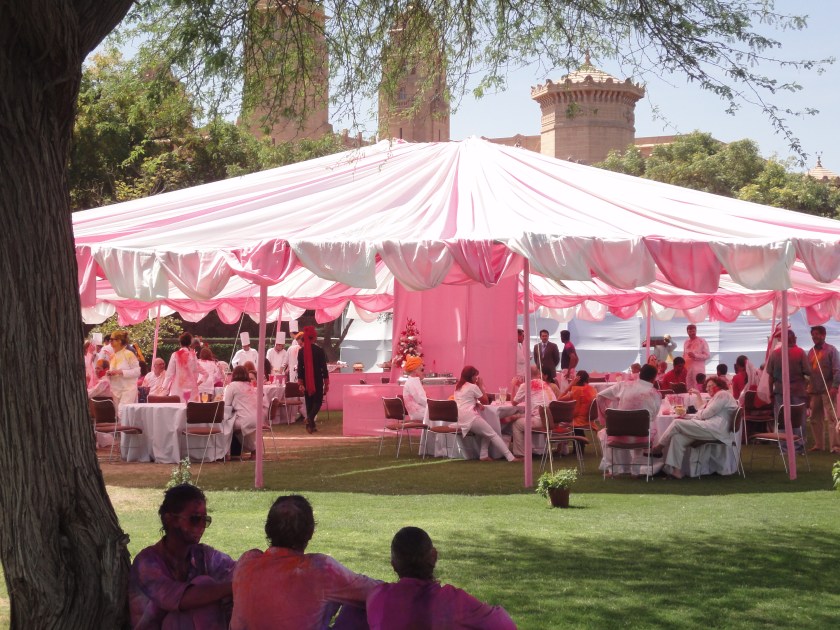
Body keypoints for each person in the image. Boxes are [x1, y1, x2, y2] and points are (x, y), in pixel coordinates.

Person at [231, 495, 379, 629]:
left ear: (267, 528)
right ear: (311, 531)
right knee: (362, 606)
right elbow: (378, 591)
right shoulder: (320, 570)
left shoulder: (246, 562)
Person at [366, 526, 516, 630]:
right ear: (434, 556)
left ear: (394, 566)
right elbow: (504, 625)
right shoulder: (452, 601)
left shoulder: (377, 598)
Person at [129, 484, 234, 629]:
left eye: (206, 520)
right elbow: (178, 599)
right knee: (204, 585)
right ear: (170, 519)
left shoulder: (203, 555)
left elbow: (237, 570)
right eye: (195, 519)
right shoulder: (146, 562)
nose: (202, 526)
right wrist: (234, 587)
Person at [650, 376, 738, 479]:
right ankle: (676, 471)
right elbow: (703, 411)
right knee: (677, 438)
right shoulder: (717, 396)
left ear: (719, 385)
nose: (708, 389)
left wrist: (698, 414)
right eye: (707, 387)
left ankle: (659, 447)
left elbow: (707, 413)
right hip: (712, 428)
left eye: (711, 386)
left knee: (677, 423)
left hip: (716, 429)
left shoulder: (722, 394)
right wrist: (696, 413)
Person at [596, 363, 661, 475]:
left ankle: (614, 469)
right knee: (647, 426)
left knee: (604, 434)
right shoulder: (655, 394)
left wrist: (606, 415)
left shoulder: (623, 385)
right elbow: (653, 416)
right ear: (654, 378)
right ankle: (635, 471)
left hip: (618, 434)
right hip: (642, 436)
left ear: (639, 374)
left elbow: (600, 396)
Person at [455, 366, 520, 462]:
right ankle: (511, 458)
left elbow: (464, 402)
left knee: (488, 429)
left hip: (461, 418)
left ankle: (483, 455)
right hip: (471, 418)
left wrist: (476, 403)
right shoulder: (472, 387)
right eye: (475, 376)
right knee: (493, 434)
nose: (476, 378)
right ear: (472, 377)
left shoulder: (458, 387)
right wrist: (480, 386)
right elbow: (485, 401)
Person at [765, 329, 811, 443]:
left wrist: (771, 392)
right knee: (798, 418)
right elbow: (808, 372)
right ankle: (799, 444)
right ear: (793, 339)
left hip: (780, 391)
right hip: (797, 391)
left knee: (781, 419)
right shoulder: (800, 352)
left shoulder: (775, 354)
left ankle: (784, 445)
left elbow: (770, 376)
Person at [510, 365, 556, 458]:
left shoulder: (526, 385)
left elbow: (513, 402)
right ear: (538, 373)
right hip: (550, 418)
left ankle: (520, 453)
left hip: (539, 419)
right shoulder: (545, 384)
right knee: (518, 417)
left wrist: (513, 386)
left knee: (516, 424)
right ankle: (531, 449)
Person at [807, 325, 840, 453]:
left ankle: (835, 446)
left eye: (817, 334)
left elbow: (837, 370)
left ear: (823, 335)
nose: (814, 336)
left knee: (832, 418)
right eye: (813, 334)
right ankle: (819, 445)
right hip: (815, 390)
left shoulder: (831, 350)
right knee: (815, 418)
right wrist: (808, 388)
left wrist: (835, 386)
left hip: (828, 389)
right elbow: (809, 372)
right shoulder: (811, 352)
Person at [298, 326, 330, 434]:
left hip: (306, 379)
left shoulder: (301, 351)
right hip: (317, 378)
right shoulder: (319, 350)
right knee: (318, 401)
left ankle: (311, 426)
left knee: (309, 402)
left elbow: (300, 368)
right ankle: (310, 418)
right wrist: (326, 382)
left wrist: (300, 382)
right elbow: (323, 368)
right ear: (314, 338)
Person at [224, 366, 259, 458]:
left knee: (226, 425)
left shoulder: (232, 386)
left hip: (245, 419)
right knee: (237, 426)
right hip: (258, 419)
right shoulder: (250, 385)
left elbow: (226, 404)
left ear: (234, 375)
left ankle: (226, 454)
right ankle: (254, 451)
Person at [559, 370, 598, 449]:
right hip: (589, 420)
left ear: (577, 379)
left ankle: (566, 450)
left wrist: (570, 385)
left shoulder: (576, 390)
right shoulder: (593, 390)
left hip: (579, 421)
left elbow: (559, 398)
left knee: (561, 422)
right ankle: (578, 446)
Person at [107, 330, 141, 412]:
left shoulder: (129, 354)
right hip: (116, 390)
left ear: (119, 341)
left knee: (122, 412)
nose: (110, 341)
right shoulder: (112, 356)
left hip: (128, 389)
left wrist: (121, 372)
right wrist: (109, 373)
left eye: (112, 339)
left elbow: (137, 372)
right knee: (118, 416)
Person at [166, 332, 200, 402]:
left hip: (178, 386)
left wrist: (164, 387)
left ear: (180, 343)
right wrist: (195, 382)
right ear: (190, 343)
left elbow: (170, 373)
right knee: (191, 408)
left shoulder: (175, 355)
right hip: (191, 386)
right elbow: (196, 371)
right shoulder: (193, 355)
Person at [402, 356, 427, 421]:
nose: (424, 372)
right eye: (422, 370)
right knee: (444, 414)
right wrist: (434, 404)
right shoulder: (414, 381)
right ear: (415, 370)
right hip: (420, 413)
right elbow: (420, 399)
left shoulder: (410, 381)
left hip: (416, 413)